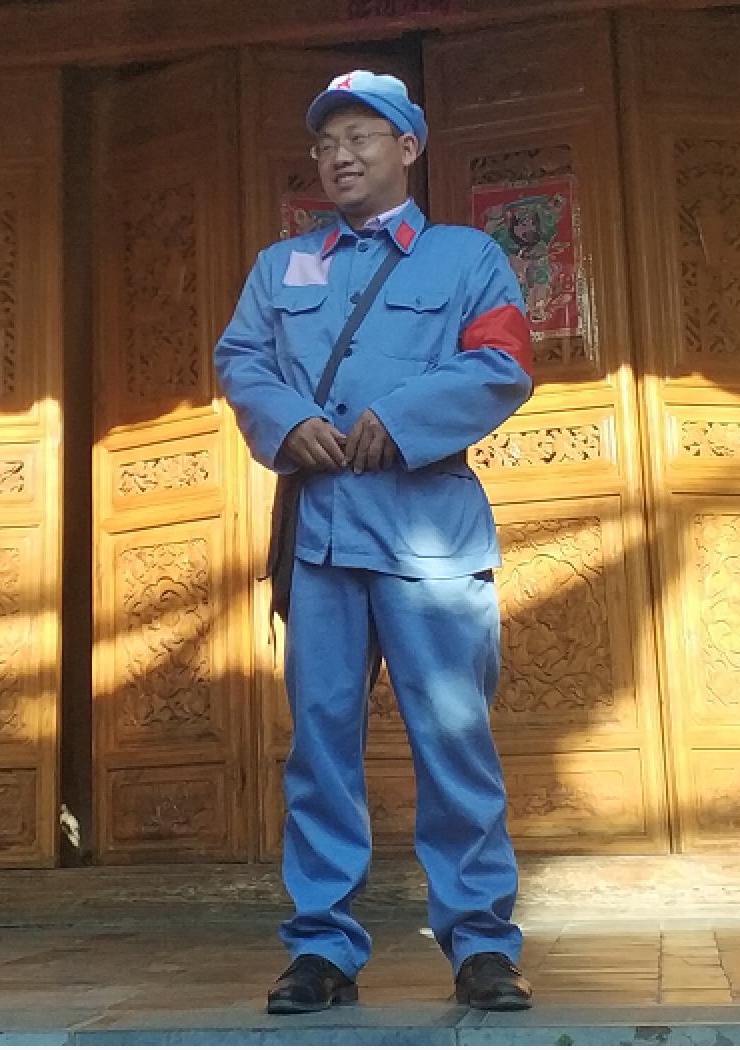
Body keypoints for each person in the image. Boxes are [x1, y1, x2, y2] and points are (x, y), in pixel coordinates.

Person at [214, 70, 535, 1015]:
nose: (340, 156)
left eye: (361, 137)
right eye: (325, 144)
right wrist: (286, 423)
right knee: (319, 749)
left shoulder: (467, 257)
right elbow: (241, 358)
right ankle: (321, 949)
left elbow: (504, 362)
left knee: (454, 742)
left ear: (408, 148)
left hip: (431, 538)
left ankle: (482, 944)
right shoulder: (282, 266)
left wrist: (400, 417)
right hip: (321, 542)